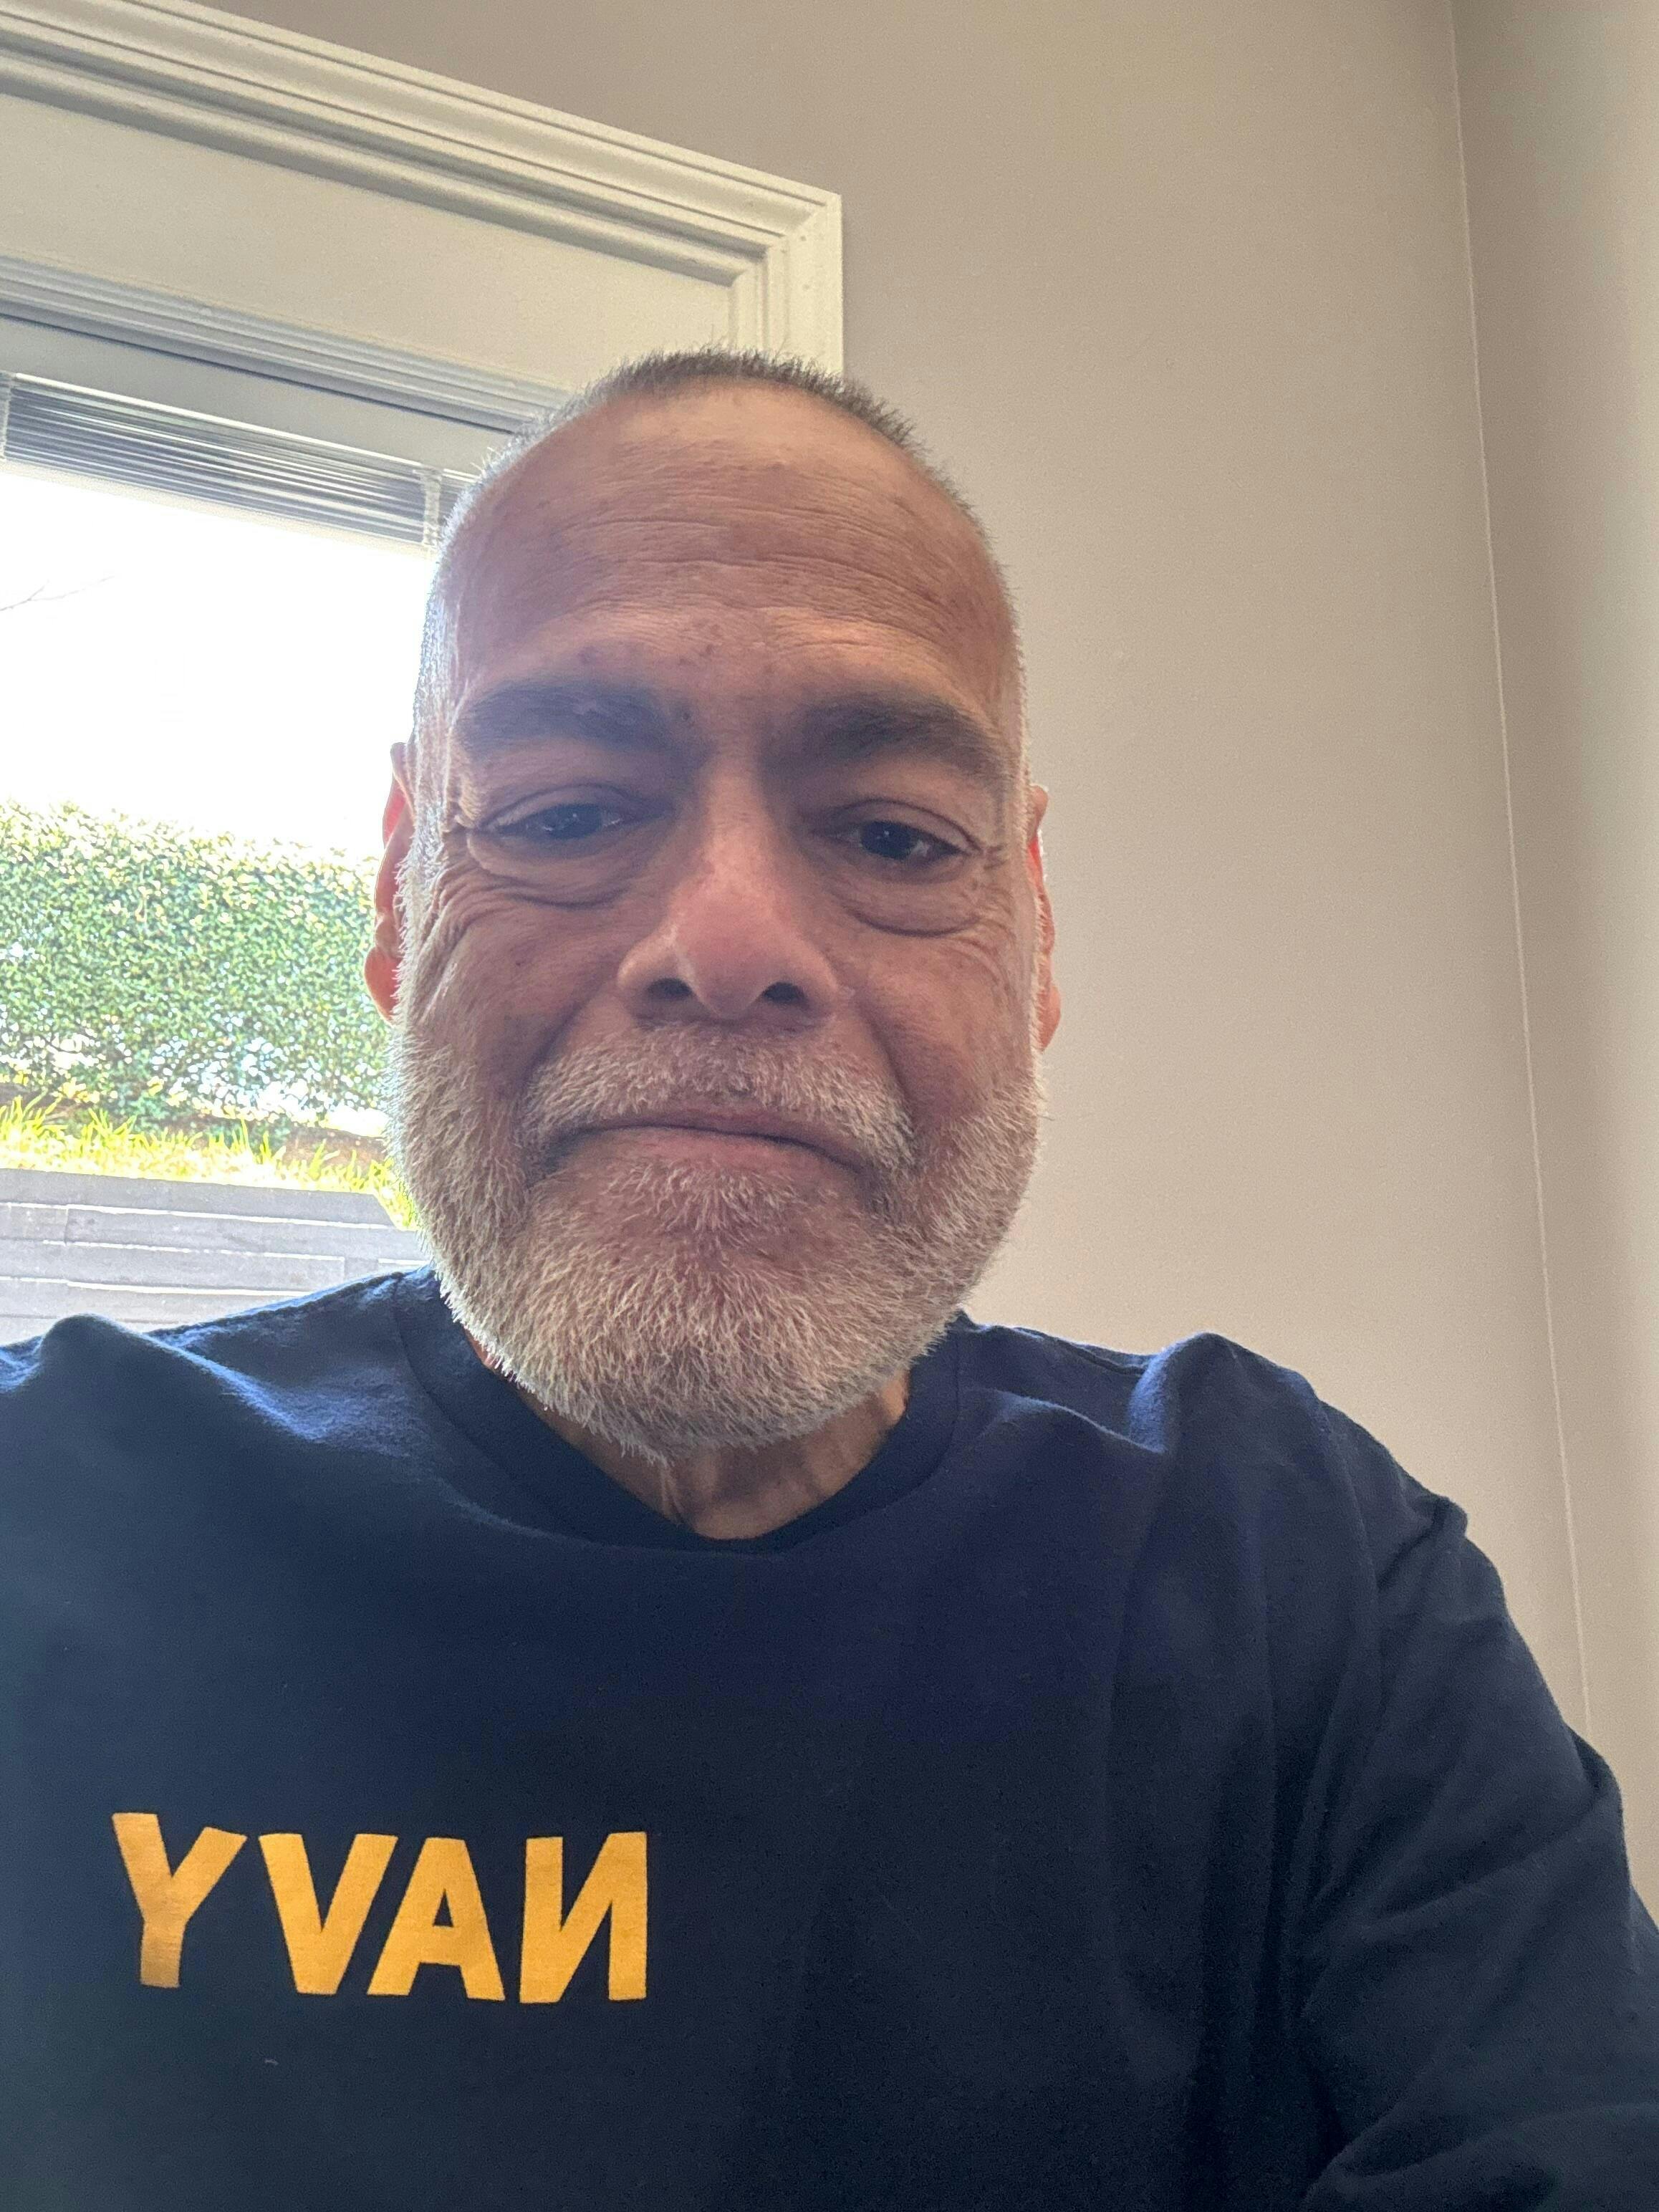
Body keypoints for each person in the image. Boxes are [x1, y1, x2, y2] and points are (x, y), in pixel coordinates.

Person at [1, 348, 1655, 2212]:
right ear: (398, 897)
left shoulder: (1307, 1579)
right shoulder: (41, 1517)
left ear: (1031, 934)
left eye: (890, 836)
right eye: (564, 811)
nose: (727, 943)